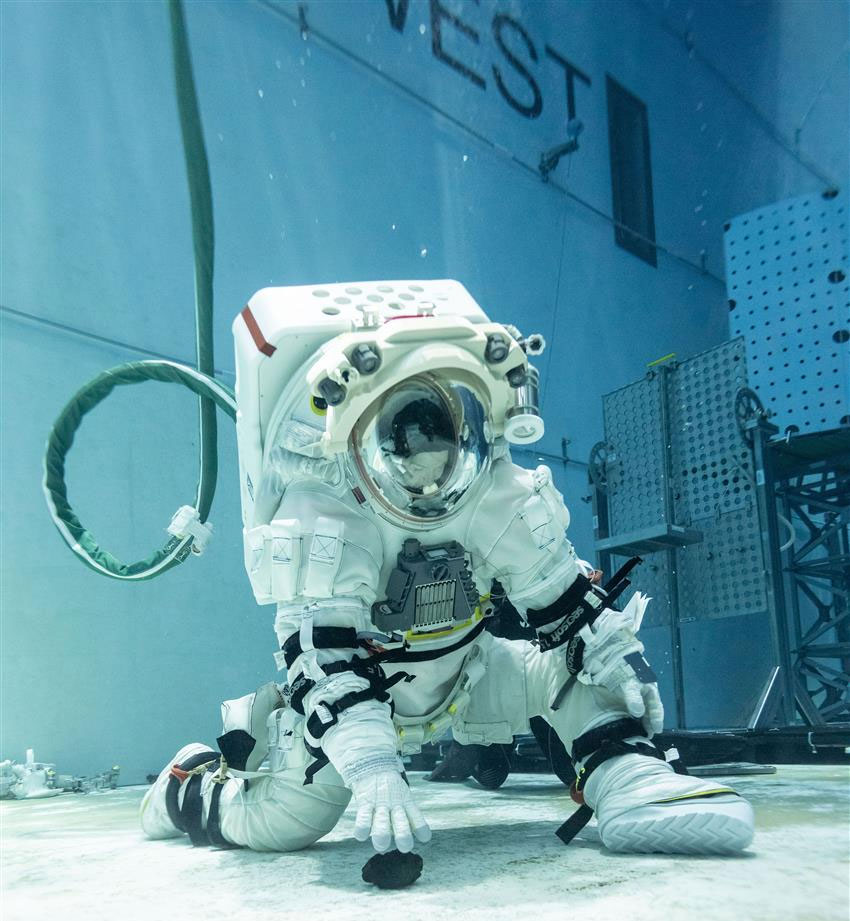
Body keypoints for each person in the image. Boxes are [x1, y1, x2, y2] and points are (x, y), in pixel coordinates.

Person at [141, 281, 754, 857]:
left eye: (439, 445)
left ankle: (635, 781)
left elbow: (568, 607)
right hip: (363, 705)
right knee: (280, 826)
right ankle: (185, 787)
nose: (427, 470)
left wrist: (621, 662)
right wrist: (371, 762)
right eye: (408, 448)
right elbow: (325, 658)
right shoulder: (326, 515)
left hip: (473, 675)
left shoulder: (495, 495)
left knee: (576, 668)